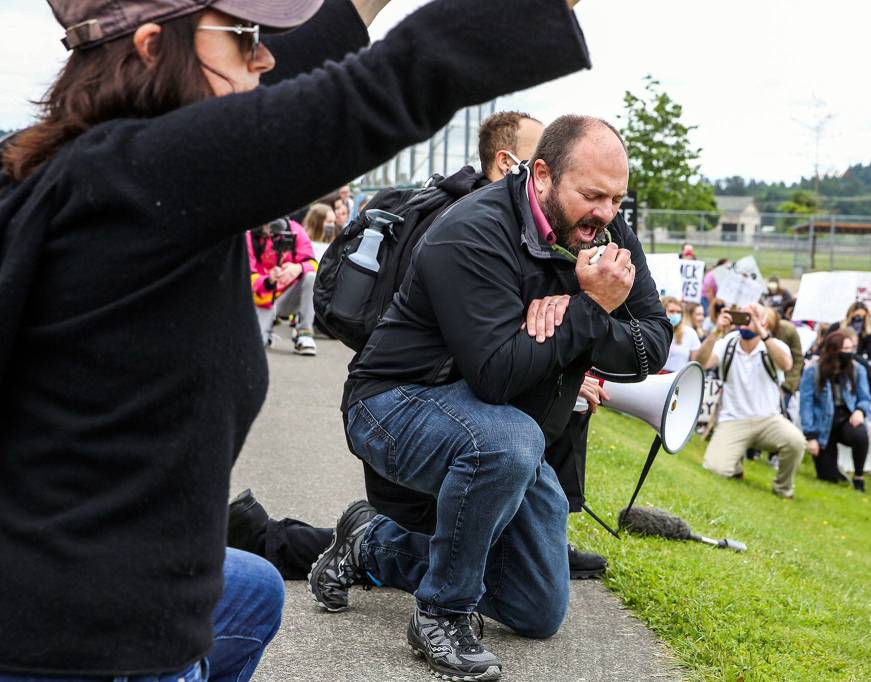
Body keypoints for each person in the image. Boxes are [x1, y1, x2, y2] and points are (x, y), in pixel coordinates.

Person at [0, 0, 592, 678]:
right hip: (76, 633)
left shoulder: (95, 167)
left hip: (72, 574)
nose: (266, 56)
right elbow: (381, 87)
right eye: (245, 38)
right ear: (151, 47)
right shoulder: (151, 173)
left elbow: (290, 73)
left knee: (251, 591)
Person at [312, 116, 669, 680]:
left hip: (493, 418)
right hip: (393, 402)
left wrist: (580, 312)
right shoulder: (472, 230)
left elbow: (651, 344)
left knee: (537, 610)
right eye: (592, 195)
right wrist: (588, 308)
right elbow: (497, 375)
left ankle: (371, 544)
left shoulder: (605, 233)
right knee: (510, 441)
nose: (606, 214)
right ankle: (442, 612)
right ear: (544, 175)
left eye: (617, 199)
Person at [695, 304, 806, 498]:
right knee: (715, 469)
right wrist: (716, 331)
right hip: (733, 420)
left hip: (768, 420)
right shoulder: (728, 342)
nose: (747, 321)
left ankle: (783, 488)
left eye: (752, 317)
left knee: (796, 441)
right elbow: (701, 362)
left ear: (763, 321)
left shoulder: (773, 345)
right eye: (743, 316)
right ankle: (735, 465)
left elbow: (787, 364)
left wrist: (762, 332)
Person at [800, 331, 871, 491]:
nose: (849, 352)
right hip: (823, 426)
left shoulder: (858, 369)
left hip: (845, 419)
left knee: (860, 434)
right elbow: (806, 405)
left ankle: (859, 476)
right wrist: (810, 436)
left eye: (851, 348)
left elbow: (865, 397)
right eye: (845, 348)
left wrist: (860, 410)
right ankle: (834, 468)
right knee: (827, 478)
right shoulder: (813, 371)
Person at [248, 218, 319, 354]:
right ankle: (266, 329)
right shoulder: (249, 236)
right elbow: (247, 275)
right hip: (260, 299)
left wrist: (299, 267)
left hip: (287, 297)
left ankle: (305, 333)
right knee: (256, 345)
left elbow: (314, 264)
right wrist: (268, 280)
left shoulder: (295, 229)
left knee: (311, 277)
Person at [828, 301, 871, 366]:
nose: (858, 320)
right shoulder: (837, 327)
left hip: (855, 364)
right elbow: (824, 346)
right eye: (857, 316)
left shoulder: (867, 333)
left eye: (862, 317)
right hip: (834, 362)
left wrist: (866, 365)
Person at [661, 296, 701, 372]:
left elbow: (696, 361)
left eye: (679, 312)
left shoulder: (689, 333)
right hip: (656, 377)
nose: (675, 315)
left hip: (678, 379)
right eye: (671, 311)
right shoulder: (655, 332)